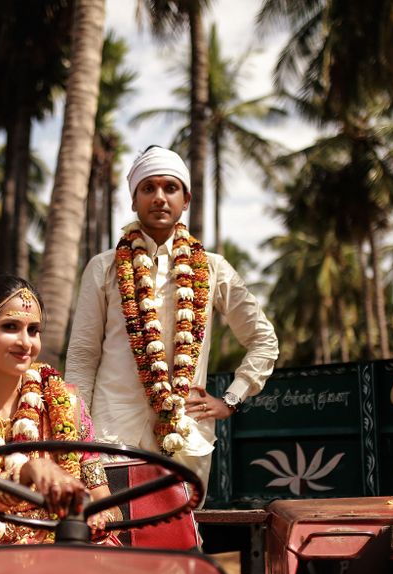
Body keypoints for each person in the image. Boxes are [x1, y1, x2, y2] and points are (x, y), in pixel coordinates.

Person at [66, 146, 279, 496]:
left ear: (187, 199)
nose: (159, 197)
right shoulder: (103, 267)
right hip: (112, 435)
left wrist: (231, 399)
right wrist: (79, 435)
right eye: (148, 188)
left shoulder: (212, 269)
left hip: (186, 434)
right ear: (134, 200)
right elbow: (82, 356)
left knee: (176, 539)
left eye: (170, 188)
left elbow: (263, 339)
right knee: (113, 536)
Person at [0, 275, 119, 546]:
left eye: (33, 330)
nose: (26, 343)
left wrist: (96, 519)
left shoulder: (67, 404)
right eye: (10, 327)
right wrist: (25, 475)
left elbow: (107, 504)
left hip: (74, 557)